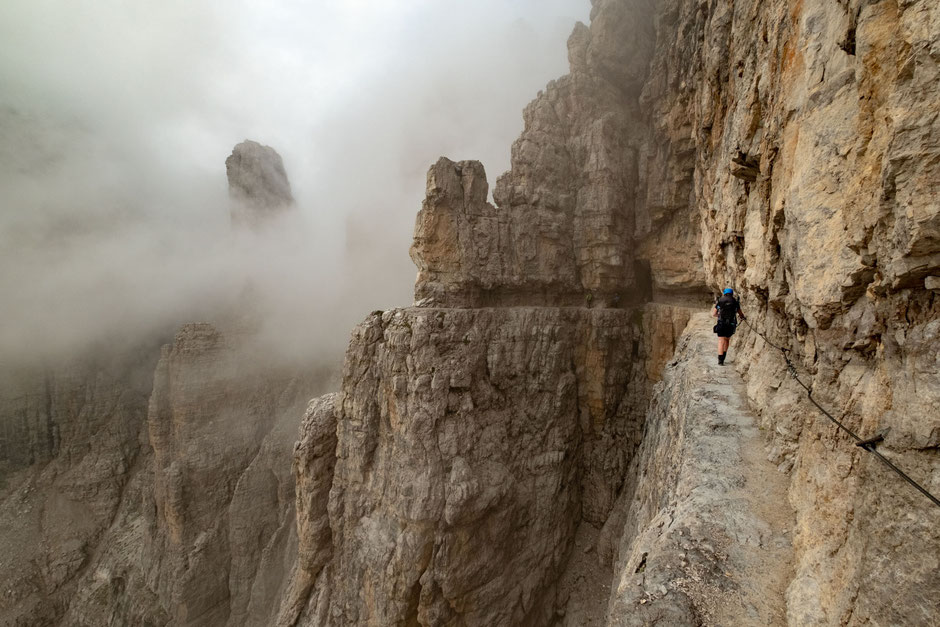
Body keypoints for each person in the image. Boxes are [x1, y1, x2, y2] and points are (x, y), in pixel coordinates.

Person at [713, 288, 745, 365]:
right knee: (727, 340)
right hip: (730, 324)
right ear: (731, 294)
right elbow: (740, 313)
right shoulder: (735, 301)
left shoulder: (720, 301)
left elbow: (714, 314)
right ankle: (724, 357)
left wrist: (719, 316)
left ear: (724, 293)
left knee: (721, 341)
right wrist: (743, 317)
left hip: (721, 323)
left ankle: (720, 361)